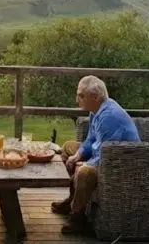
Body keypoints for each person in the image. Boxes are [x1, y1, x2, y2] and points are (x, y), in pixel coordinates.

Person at [51, 75, 140, 235]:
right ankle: (73, 198)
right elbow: (91, 139)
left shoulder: (109, 117)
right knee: (68, 148)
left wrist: (85, 164)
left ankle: (78, 217)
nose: (77, 99)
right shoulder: (96, 110)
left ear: (95, 97)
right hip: (106, 155)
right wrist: (78, 155)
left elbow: (106, 156)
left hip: (120, 166)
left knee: (85, 172)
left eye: (81, 95)